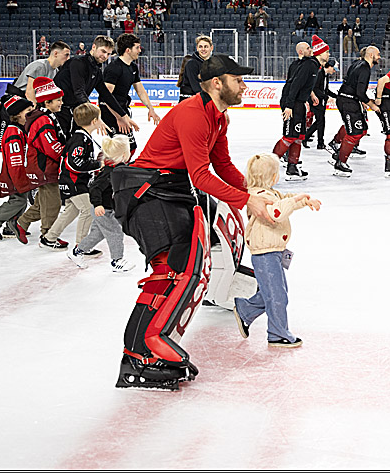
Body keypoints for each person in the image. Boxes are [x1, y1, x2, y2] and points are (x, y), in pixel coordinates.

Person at [112, 54, 276, 389]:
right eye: (238, 79)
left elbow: (223, 165)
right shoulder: (192, 114)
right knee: (172, 271)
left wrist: (256, 191)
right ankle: (140, 355)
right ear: (218, 83)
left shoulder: (219, 118)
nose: (244, 85)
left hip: (169, 189)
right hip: (147, 190)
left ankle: (146, 351)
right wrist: (248, 201)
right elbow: (201, 177)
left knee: (184, 270)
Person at [232, 153, 321, 348]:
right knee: (277, 295)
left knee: (275, 291)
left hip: (274, 251)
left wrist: (304, 200)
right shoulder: (259, 197)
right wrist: (294, 200)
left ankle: (245, 309)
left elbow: (286, 200)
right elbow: (276, 212)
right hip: (264, 253)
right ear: (272, 176)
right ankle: (277, 333)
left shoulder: (271, 192)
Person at [0, 41, 71, 205]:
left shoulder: (55, 71)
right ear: (55, 53)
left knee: (29, 146)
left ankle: (30, 184)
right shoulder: (39, 66)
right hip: (13, 109)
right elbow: (30, 92)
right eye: (66, 54)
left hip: (26, 111)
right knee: (4, 148)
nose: (68, 58)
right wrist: (36, 115)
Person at [41, 103, 106, 248]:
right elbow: (74, 163)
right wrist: (97, 165)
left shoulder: (83, 137)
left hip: (71, 181)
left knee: (72, 211)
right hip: (74, 183)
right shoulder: (80, 139)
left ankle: (49, 238)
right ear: (94, 121)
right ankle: (82, 246)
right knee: (88, 210)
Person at [67, 134, 135, 272]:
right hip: (103, 209)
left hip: (107, 208)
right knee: (115, 232)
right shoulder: (109, 172)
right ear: (123, 155)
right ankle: (117, 261)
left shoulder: (118, 168)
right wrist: (97, 205)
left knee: (97, 234)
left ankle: (77, 252)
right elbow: (95, 188)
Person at [14, 77, 68, 245]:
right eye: (58, 100)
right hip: (43, 167)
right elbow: (51, 147)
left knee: (43, 202)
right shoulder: (42, 120)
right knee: (53, 203)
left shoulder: (47, 117)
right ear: (47, 102)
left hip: (42, 167)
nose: (61, 102)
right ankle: (48, 236)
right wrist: (67, 155)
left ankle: (21, 223)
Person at [53, 35, 137, 138]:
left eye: (108, 54)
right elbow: (79, 92)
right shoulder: (78, 63)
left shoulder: (96, 70)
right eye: (103, 51)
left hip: (73, 111)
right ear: (93, 47)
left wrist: (123, 116)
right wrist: (96, 117)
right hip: (59, 111)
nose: (105, 56)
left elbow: (106, 94)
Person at [273, 37, 328, 180]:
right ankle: (267, 166)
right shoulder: (309, 65)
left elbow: (304, 84)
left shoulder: (314, 65)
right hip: (292, 102)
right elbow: (295, 84)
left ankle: (292, 168)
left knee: (298, 136)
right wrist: (289, 105)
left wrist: (308, 97)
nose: (328, 54)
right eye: (326, 52)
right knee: (290, 136)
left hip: (299, 102)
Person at [0, 96, 35, 240]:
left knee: (22, 200)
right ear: (18, 114)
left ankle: (11, 225)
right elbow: (15, 160)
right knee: (18, 200)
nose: (32, 113)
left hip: (20, 173)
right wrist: (19, 179)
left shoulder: (21, 129)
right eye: (28, 110)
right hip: (14, 174)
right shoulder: (13, 132)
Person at [103, 34, 162, 156]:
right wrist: (119, 117)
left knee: (130, 147)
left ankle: (116, 171)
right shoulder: (114, 68)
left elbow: (140, 91)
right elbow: (105, 97)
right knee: (119, 149)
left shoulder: (133, 67)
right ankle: (107, 171)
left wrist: (150, 108)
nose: (140, 50)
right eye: (137, 47)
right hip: (111, 112)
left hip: (122, 109)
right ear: (128, 50)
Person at [327, 46, 380, 177]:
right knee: (355, 132)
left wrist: (363, 100)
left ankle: (339, 151)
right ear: (371, 54)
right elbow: (360, 92)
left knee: (362, 129)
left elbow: (355, 88)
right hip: (348, 101)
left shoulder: (357, 63)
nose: (379, 57)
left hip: (350, 100)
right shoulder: (364, 68)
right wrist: (372, 104)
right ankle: (340, 162)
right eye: (378, 54)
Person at [305, 57, 336, 149]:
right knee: (320, 121)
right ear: (329, 66)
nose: (334, 71)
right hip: (315, 101)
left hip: (321, 101)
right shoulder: (319, 74)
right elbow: (315, 89)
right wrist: (326, 97)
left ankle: (307, 138)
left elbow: (325, 90)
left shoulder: (325, 75)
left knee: (320, 121)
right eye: (333, 69)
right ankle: (319, 142)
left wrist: (336, 96)